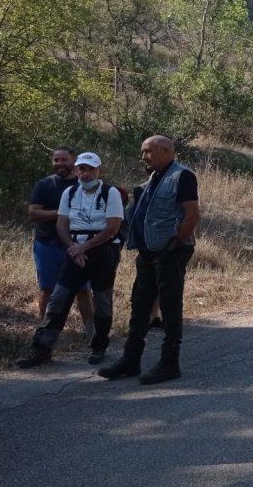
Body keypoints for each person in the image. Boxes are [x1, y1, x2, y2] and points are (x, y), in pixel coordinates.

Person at [98, 136, 199, 385]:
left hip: (170, 252)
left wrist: (175, 245)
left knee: (170, 306)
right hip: (148, 253)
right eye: (143, 152)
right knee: (140, 305)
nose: (143, 156)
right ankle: (131, 360)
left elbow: (192, 215)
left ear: (165, 151)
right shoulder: (152, 178)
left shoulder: (183, 176)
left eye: (148, 151)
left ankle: (169, 363)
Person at [17, 152, 124, 368]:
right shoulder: (70, 192)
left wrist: (84, 247)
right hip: (75, 251)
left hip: (103, 250)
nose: (86, 174)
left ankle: (98, 346)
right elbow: (61, 225)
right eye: (82, 169)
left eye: (91, 169)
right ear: (76, 170)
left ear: (99, 170)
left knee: (102, 299)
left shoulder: (110, 192)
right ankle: (42, 349)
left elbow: (113, 228)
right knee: (58, 298)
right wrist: (74, 249)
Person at [27, 146, 94, 336]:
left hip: (77, 245)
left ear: (74, 161)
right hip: (47, 244)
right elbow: (33, 213)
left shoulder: (85, 185)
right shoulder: (45, 184)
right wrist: (62, 213)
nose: (59, 163)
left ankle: (91, 331)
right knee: (47, 289)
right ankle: (44, 330)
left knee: (82, 289)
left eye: (64, 160)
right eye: (56, 160)